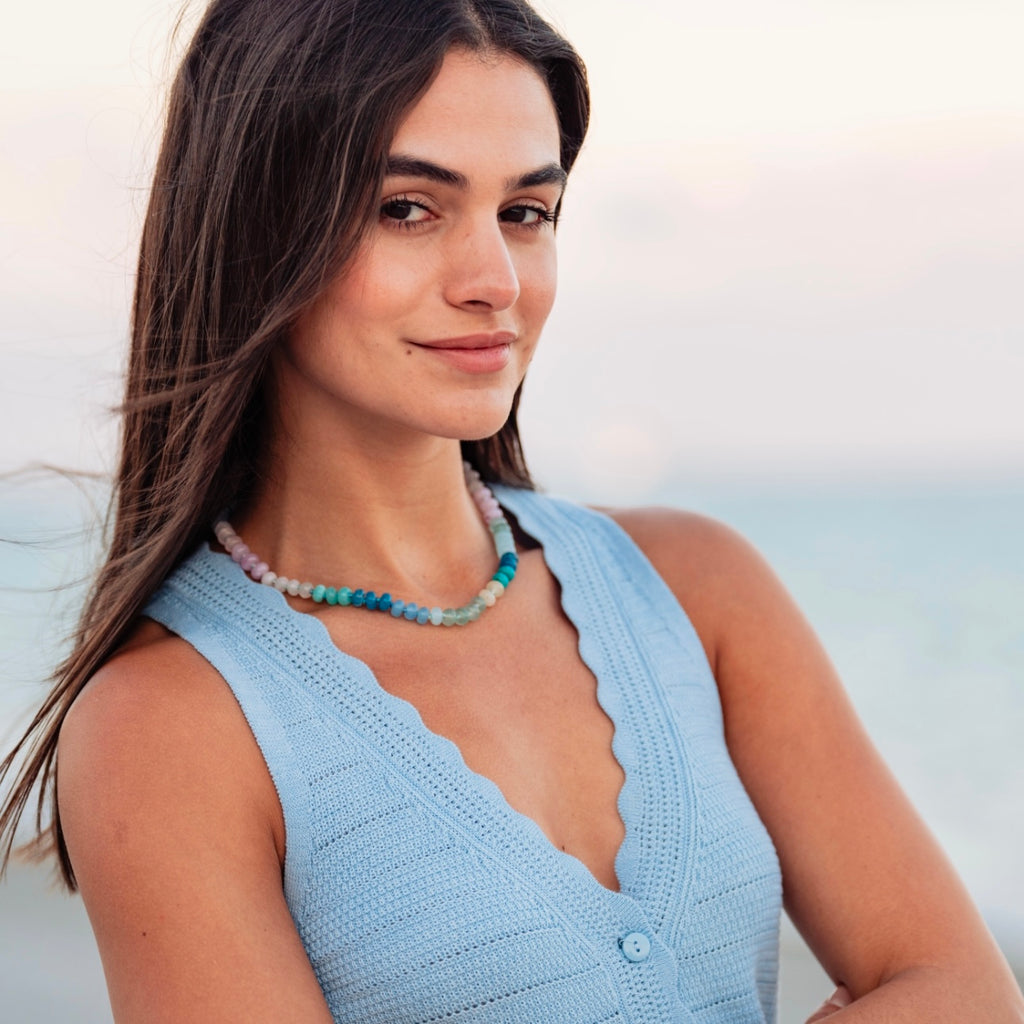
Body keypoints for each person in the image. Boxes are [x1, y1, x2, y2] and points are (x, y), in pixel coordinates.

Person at [1, 1, 1021, 1021]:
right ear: (258, 229)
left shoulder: (695, 590)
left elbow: (966, 994)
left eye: (525, 213)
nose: (495, 281)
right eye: (408, 207)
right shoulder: (171, 728)